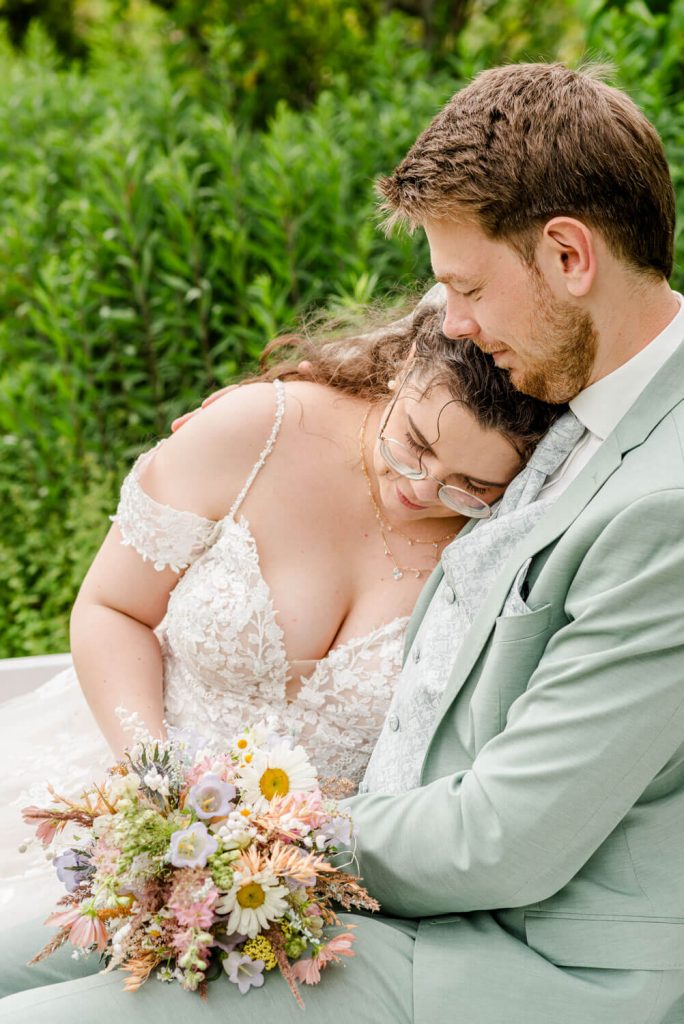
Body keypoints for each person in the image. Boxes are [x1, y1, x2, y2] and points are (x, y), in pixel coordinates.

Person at [2, 59, 684, 1024]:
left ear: (571, 256)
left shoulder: (665, 504)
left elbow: (505, 838)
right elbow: (421, 380)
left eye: (467, 287)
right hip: (375, 883)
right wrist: (286, 416)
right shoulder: (572, 377)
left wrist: (239, 838)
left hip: (510, 947)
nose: (453, 322)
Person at [0, 303, 556, 929]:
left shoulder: (498, 545)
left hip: (304, 889)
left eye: (471, 486)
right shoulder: (260, 429)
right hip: (124, 780)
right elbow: (112, 608)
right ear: (402, 369)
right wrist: (156, 780)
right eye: (415, 444)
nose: (423, 490)